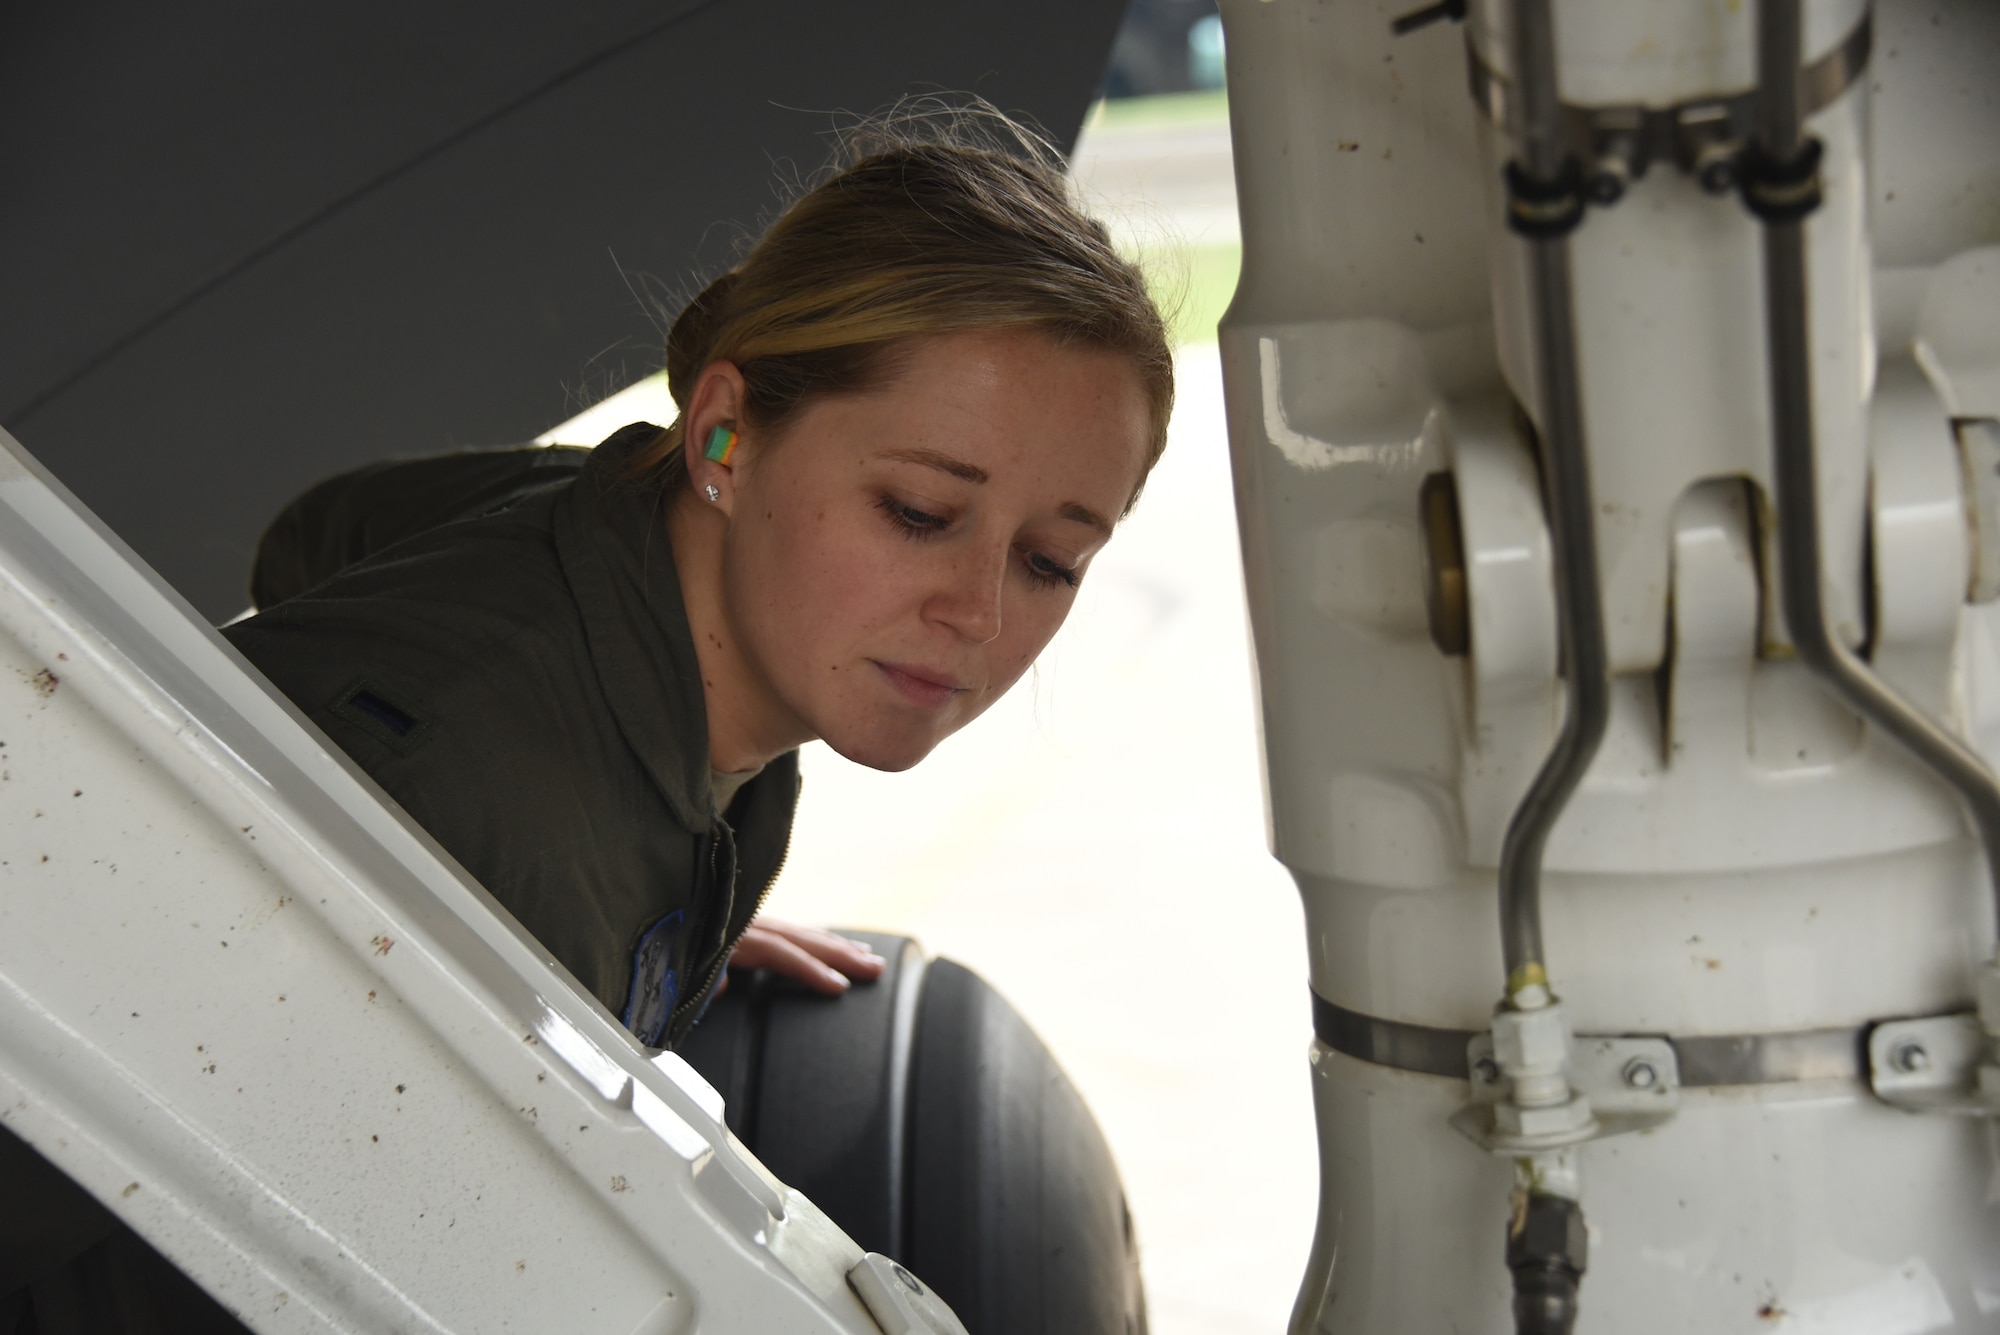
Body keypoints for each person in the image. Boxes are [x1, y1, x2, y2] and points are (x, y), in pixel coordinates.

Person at [221, 108, 1176, 1053]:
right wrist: (556, 916)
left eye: (1050, 561)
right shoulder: (476, 847)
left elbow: (314, 533)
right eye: (917, 513)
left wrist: (657, 914)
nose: (978, 612)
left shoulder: (608, 516)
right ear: (724, 433)